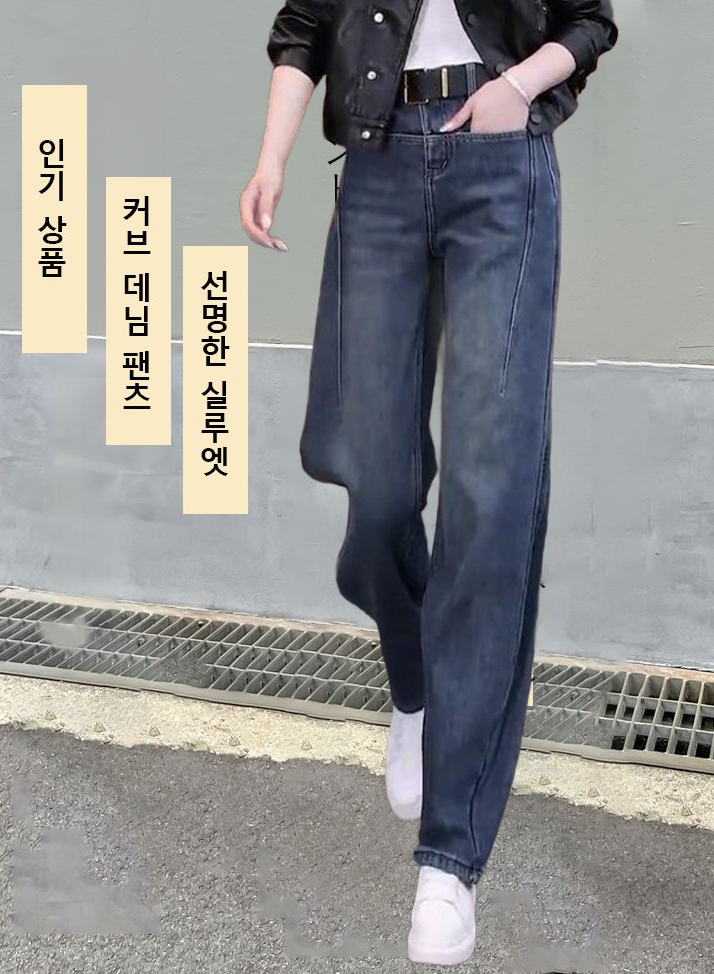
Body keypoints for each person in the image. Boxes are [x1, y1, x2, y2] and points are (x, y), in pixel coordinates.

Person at [240, 0, 618, 964]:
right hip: (377, 167)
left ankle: (449, 859)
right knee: (372, 482)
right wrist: (272, 160)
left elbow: (588, 21)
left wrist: (515, 90)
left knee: (491, 497)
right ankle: (415, 684)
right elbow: (303, 29)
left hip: (501, 164)